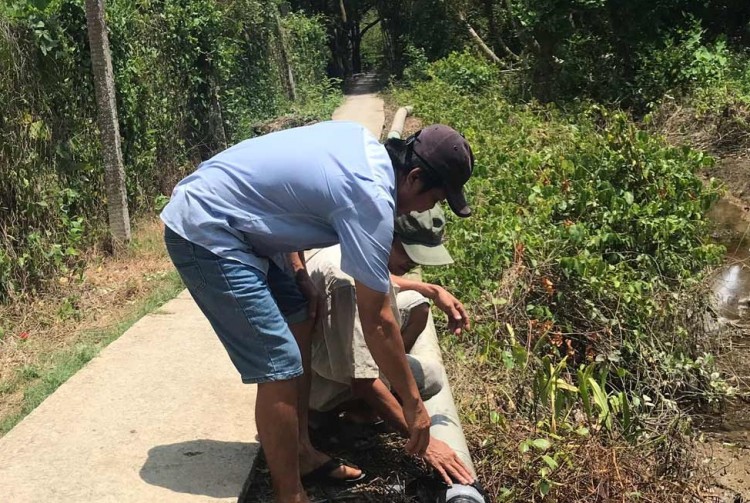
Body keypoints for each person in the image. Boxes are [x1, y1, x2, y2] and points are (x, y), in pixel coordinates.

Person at [160, 121, 474, 503]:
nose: (429, 208)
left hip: (241, 220)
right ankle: (289, 494)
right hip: (208, 226)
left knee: (300, 312)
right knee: (280, 363)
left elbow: (287, 197)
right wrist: (414, 407)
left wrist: (297, 270)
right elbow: (378, 321)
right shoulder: (371, 197)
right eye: (436, 198)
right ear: (415, 177)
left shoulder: (363, 147)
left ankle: (302, 451)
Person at [306, 204, 474, 486]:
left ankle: (363, 411)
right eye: (408, 253)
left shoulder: (359, 247)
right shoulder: (347, 282)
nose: (413, 263)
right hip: (314, 380)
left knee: (418, 311)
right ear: (386, 235)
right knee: (417, 378)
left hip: (330, 354)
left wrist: (432, 290)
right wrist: (425, 442)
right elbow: (362, 380)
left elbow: (385, 280)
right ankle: (322, 417)